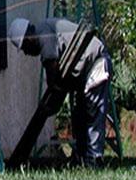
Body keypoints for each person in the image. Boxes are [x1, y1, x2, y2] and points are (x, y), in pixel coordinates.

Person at [9, 17, 112, 167]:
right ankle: (83, 159)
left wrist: (50, 103)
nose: (26, 53)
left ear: (29, 38)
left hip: (96, 63)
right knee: (80, 115)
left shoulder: (43, 33)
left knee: (92, 112)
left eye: (25, 48)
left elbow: (53, 72)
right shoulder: (46, 30)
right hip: (87, 69)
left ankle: (94, 159)